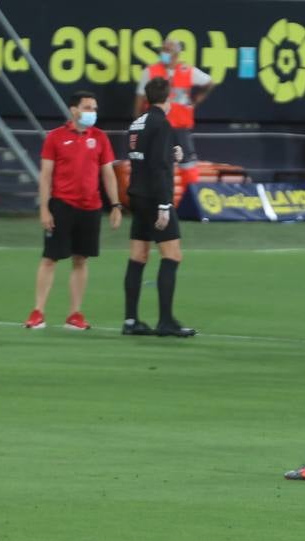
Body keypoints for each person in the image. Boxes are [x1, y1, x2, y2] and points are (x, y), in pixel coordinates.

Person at [24, 91, 122, 331]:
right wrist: (45, 209)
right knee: (50, 259)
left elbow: (108, 173)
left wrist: (116, 205)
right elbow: (46, 176)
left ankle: (75, 314)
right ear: (74, 110)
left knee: (81, 259)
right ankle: (38, 312)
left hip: (91, 206)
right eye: (88, 107)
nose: (92, 113)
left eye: (94, 108)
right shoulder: (55, 137)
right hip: (62, 205)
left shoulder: (99, 137)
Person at [124, 77, 195, 338]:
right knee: (172, 256)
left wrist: (170, 153)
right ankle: (165, 321)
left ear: (146, 98)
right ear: (169, 98)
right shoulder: (162, 123)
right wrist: (165, 204)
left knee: (138, 257)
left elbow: (144, 157)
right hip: (155, 198)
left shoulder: (137, 123)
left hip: (137, 195)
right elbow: (159, 167)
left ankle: (130, 320)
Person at [135, 38, 212, 196]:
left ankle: (191, 200)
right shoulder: (150, 71)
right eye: (162, 49)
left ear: (177, 53)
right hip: (157, 126)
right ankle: (156, 200)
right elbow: (139, 98)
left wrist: (198, 99)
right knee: (157, 164)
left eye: (167, 50)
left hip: (180, 127)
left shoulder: (188, 71)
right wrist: (137, 123)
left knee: (188, 165)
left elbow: (209, 82)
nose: (163, 53)